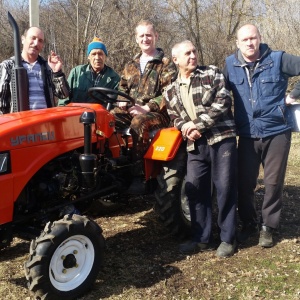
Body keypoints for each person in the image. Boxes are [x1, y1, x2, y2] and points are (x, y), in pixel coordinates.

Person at [223, 24, 300, 248]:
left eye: (253, 38)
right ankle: (249, 223)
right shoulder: (230, 65)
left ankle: (268, 226)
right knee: (244, 182)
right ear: (238, 43)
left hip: (277, 131)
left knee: (273, 182)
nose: (249, 43)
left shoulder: (277, 59)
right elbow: (219, 91)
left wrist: (294, 95)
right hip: (247, 134)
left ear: (260, 39)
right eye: (245, 39)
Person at [164, 40, 237, 258]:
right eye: (187, 53)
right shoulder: (169, 90)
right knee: (194, 189)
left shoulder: (211, 74)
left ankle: (227, 239)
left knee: (224, 188)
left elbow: (223, 101)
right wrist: (186, 129)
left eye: (194, 51)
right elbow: (174, 117)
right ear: (176, 60)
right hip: (195, 144)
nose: (193, 56)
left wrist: (196, 125)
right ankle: (202, 238)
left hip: (221, 139)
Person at [112, 20, 177, 171]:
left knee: (138, 122)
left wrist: (147, 108)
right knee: (106, 118)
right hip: (131, 110)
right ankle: (111, 164)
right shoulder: (130, 65)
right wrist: (121, 100)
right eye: (141, 36)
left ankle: (139, 171)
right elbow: (122, 87)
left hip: (158, 114)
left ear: (156, 36)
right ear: (136, 39)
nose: (145, 39)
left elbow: (170, 93)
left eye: (148, 35)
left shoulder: (165, 64)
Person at [0, 26, 69, 114]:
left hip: (45, 123)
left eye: (40, 40)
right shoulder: (7, 66)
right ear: (23, 39)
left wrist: (57, 72)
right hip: (19, 124)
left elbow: (64, 94)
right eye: (33, 38)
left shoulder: (47, 66)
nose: (36, 43)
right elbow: (1, 104)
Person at [58, 37, 120, 105]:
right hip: (77, 113)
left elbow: (118, 103)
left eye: (100, 54)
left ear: (105, 56)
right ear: (89, 57)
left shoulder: (114, 78)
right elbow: (64, 100)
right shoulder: (76, 72)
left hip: (101, 114)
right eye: (93, 54)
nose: (97, 58)